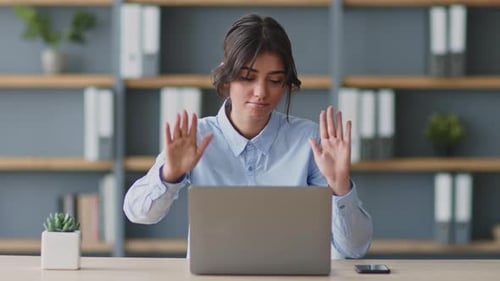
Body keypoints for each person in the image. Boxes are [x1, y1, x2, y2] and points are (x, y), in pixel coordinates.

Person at [123, 13, 372, 259]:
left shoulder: (310, 141)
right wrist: (170, 175)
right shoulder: (196, 137)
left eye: (275, 81)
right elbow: (138, 213)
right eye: (248, 77)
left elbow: (355, 248)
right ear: (226, 76)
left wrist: (340, 186)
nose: (261, 92)